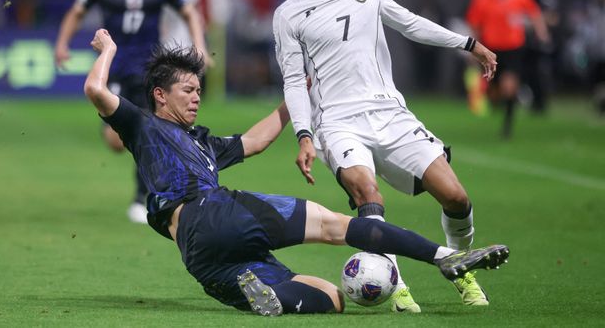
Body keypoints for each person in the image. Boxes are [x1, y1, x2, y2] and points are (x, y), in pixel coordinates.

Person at [83, 27, 510, 316]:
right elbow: (95, 89)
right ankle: (445, 257)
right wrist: (109, 51)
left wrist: (293, 99)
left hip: (200, 256)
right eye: (188, 90)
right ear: (160, 95)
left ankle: (270, 295)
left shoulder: (203, 144)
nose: (197, 97)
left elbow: (256, 141)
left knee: (332, 298)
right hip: (212, 212)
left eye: (199, 90)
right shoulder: (145, 126)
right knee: (333, 225)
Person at [273, 0, 498, 312]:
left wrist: (467, 44)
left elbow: (412, 25)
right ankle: (397, 286)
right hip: (337, 123)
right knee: (367, 194)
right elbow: (294, 81)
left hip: (390, 114)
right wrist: (304, 135)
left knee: (456, 197)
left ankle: (462, 270)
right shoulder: (288, 14)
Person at [54, 0, 209, 223]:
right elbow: (76, 12)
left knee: (148, 132)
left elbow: (189, 12)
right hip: (113, 68)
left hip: (151, 70)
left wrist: (200, 46)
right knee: (115, 141)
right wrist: (62, 44)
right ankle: (147, 166)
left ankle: (142, 198)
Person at [466, 0, 550, 137]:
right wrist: (473, 47)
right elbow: (474, 24)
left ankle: (507, 125)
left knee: (510, 86)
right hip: (491, 49)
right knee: (494, 91)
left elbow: (535, 14)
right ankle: (495, 99)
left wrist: (542, 33)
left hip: (514, 48)